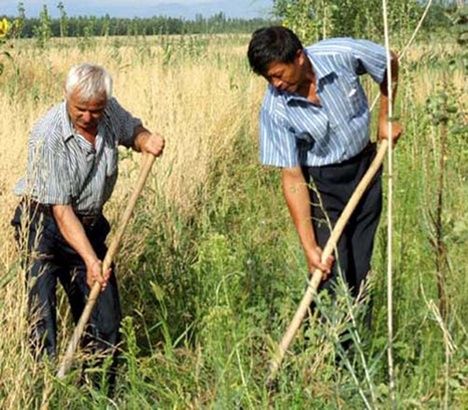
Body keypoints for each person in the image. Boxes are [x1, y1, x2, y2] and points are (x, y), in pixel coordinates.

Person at [11, 63, 165, 376]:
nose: (88, 117)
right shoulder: (48, 134)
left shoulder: (108, 112)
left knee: (104, 316)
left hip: (89, 223)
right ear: (67, 97)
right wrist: (90, 260)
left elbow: (131, 130)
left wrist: (145, 139)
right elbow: (61, 211)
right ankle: (46, 389)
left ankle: (99, 391)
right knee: (42, 317)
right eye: (80, 109)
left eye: (95, 110)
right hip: (43, 226)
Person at [247, 27, 402, 301]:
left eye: (278, 75)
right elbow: (292, 178)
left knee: (360, 268)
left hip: (365, 169)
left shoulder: (340, 54)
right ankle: (329, 341)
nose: (275, 85)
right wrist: (309, 246)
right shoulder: (275, 109)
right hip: (323, 185)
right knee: (330, 273)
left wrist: (385, 118)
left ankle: (359, 341)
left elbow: (388, 61)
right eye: (268, 78)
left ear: (299, 57)